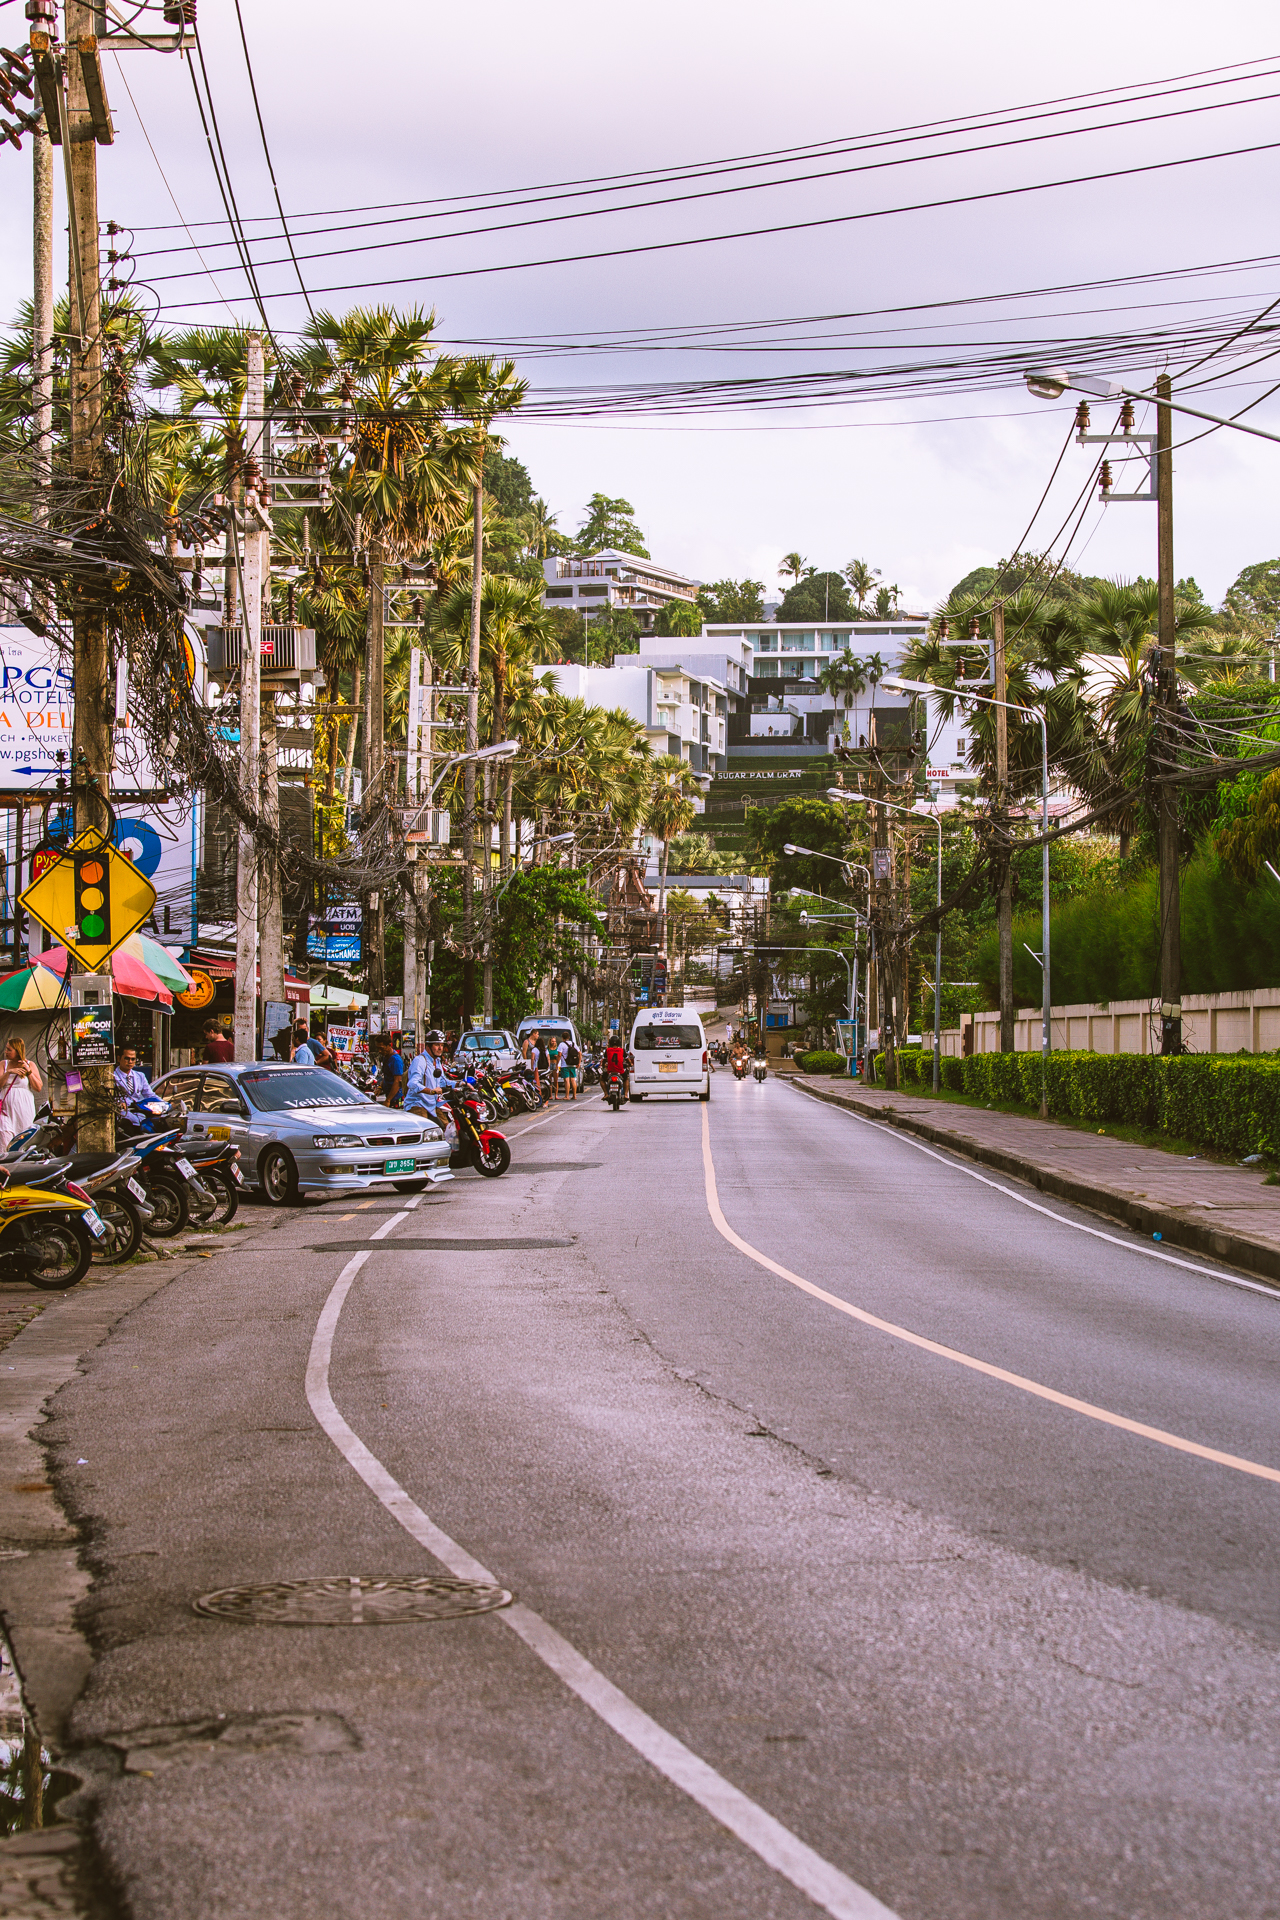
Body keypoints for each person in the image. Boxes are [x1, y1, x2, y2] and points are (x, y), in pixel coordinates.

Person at [0, 1039, 40, 1152]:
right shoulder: (4, 1064)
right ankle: (5, 1164)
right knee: (4, 1139)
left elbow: (38, 1088)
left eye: (9, 1049)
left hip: (24, 1109)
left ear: (17, 1051)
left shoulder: (30, 1064)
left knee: (23, 1140)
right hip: (5, 1110)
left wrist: (29, 1072)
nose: (5, 1051)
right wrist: (8, 1072)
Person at [405, 1030, 450, 1122]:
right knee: (427, 1129)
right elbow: (413, 1083)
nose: (440, 1048)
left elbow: (443, 1081)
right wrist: (431, 1091)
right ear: (428, 1046)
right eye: (437, 1045)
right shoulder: (420, 1061)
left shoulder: (437, 1061)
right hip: (418, 1104)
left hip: (432, 1105)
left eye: (442, 1045)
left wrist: (461, 1084)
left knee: (448, 1128)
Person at [114, 1046, 159, 1128]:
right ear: (118, 1058)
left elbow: (150, 1095)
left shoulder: (140, 1076)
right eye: (127, 1058)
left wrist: (163, 1103)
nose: (130, 1062)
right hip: (123, 1116)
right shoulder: (112, 1077)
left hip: (140, 1113)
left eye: (133, 1059)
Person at [377, 1034, 405, 1107]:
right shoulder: (386, 1057)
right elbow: (386, 1076)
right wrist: (380, 1087)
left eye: (382, 1048)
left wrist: (388, 1100)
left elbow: (397, 1081)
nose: (380, 1051)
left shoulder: (396, 1060)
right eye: (378, 1048)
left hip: (396, 1098)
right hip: (389, 1095)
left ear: (389, 1045)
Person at [604, 1030, 629, 1103]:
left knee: (602, 1079)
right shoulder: (622, 1050)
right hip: (620, 1071)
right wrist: (630, 1064)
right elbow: (627, 1060)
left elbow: (604, 1060)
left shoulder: (607, 1050)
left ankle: (606, 1094)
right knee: (626, 1079)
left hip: (610, 1071)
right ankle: (626, 1095)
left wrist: (603, 1066)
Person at [562, 1034, 580, 1102]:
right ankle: (574, 1095)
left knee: (567, 1080)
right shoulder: (573, 1044)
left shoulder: (562, 1044)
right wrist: (578, 1062)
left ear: (563, 1038)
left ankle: (567, 1096)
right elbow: (579, 1053)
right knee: (573, 1080)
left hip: (565, 1065)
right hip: (572, 1065)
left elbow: (559, 1054)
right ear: (569, 1037)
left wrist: (557, 1062)